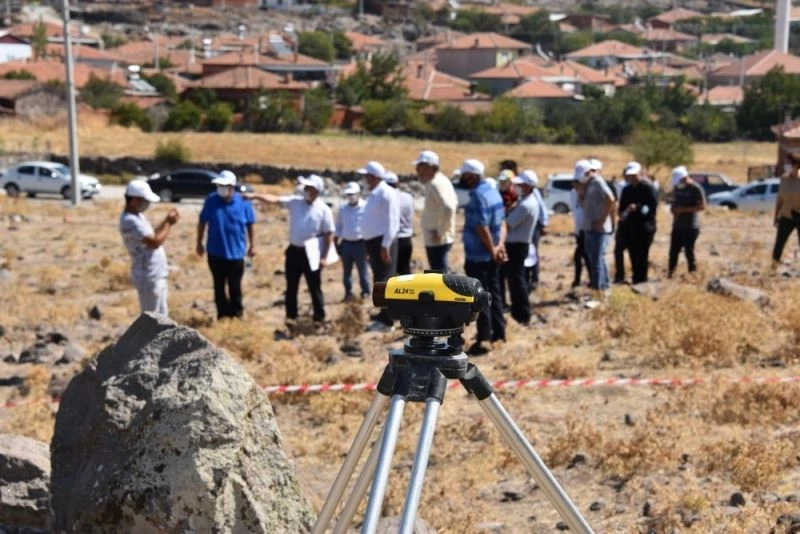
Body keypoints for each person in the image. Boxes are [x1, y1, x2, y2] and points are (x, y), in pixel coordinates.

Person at [248, 175, 334, 327]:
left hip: (312, 253)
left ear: (317, 191)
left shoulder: (324, 210)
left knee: (314, 287)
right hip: (294, 252)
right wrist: (256, 196)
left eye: (310, 188)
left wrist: (324, 257)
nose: (306, 190)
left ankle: (319, 318)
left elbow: (328, 234)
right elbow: (274, 200)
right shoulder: (295, 202)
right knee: (291, 286)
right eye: (306, 187)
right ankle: (291, 317)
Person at [460, 158, 507, 355]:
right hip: (492, 253)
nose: (462, 178)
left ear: (472, 176)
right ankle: (499, 333)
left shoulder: (478, 196)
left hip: (479, 256)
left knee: (480, 297)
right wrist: (499, 246)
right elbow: (503, 222)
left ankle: (484, 338)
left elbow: (481, 227)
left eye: (464, 175)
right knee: (495, 294)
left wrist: (491, 249)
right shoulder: (492, 191)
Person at [197, 170, 256, 319]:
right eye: (219, 185)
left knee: (235, 286)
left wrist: (252, 245)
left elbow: (250, 225)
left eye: (224, 186)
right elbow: (202, 222)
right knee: (219, 286)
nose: (221, 188)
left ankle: (236, 313)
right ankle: (222, 314)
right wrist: (199, 243)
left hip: (236, 254)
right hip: (215, 252)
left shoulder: (243, 202)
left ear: (232, 187)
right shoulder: (211, 200)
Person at [119, 179, 180, 316]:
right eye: (144, 200)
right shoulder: (130, 221)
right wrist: (169, 224)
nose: (147, 204)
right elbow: (154, 242)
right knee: (151, 318)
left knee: (162, 316)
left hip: (155, 273)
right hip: (147, 276)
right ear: (134, 199)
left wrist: (166, 221)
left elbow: (151, 235)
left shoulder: (137, 217)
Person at [358, 161, 400, 330]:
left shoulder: (387, 193)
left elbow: (392, 221)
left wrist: (385, 246)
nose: (364, 180)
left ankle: (388, 320)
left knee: (385, 281)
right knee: (379, 280)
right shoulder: (375, 193)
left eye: (366, 176)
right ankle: (383, 315)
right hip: (374, 242)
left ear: (374, 176)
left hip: (383, 242)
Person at [505, 170, 541, 325]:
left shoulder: (526, 204)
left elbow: (507, 223)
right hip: (517, 245)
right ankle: (518, 311)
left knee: (517, 281)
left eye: (520, 185)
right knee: (515, 280)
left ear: (528, 186)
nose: (517, 187)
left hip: (517, 246)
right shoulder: (525, 200)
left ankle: (523, 313)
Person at [577, 159, 615, 299]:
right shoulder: (587, 185)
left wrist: (602, 220)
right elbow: (583, 205)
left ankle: (597, 293)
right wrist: (580, 193)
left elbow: (610, 199)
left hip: (598, 229)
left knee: (596, 261)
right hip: (589, 227)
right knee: (597, 259)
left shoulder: (598, 182)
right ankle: (604, 288)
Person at [415, 150, 458, 273]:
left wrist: (440, 232)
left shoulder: (435, 183)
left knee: (440, 275)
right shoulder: (440, 180)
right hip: (437, 237)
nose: (417, 170)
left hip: (437, 239)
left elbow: (449, 207)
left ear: (429, 167)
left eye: (420, 167)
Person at [617, 161, 658, 284]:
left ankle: (642, 279)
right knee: (632, 253)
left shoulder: (648, 188)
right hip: (630, 227)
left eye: (634, 175)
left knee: (642, 254)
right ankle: (636, 278)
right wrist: (622, 213)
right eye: (630, 175)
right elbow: (622, 207)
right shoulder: (626, 190)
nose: (632, 178)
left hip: (645, 227)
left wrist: (638, 208)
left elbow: (652, 208)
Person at [335, 181, 370, 301]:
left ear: (359, 194)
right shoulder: (343, 209)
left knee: (363, 270)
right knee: (346, 272)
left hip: (361, 244)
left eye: (353, 194)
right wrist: (336, 244)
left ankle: (365, 291)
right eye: (348, 194)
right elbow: (338, 227)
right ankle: (348, 293)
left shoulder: (366, 207)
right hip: (346, 244)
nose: (351, 197)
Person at [668, 166, 706, 278]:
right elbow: (674, 203)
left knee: (689, 252)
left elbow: (702, 206)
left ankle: (692, 274)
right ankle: (670, 274)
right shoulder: (677, 188)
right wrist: (673, 210)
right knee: (673, 252)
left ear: (685, 178)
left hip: (690, 226)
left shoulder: (695, 189)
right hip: (677, 225)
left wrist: (684, 210)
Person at [772, 152, 800, 270]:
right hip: (786, 214)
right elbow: (780, 199)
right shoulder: (784, 179)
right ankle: (773, 266)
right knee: (779, 242)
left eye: (792, 164)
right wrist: (776, 217)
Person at [384, 171, 415, 275]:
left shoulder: (386, 198)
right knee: (405, 270)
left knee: (391, 273)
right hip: (406, 238)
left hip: (393, 239)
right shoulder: (408, 197)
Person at [525, 171, 549, 293]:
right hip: (527, 226)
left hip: (534, 227)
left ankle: (534, 279)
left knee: (532, 252)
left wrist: (544, 223)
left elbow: (542, 208)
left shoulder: (534, 193)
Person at [570, 178, 590, 288]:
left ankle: (580, 280)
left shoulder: (588, 193)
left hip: (587, 230)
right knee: (583, 256)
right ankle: (579, 280)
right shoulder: (573, 193)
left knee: (580, 255)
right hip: (579, 230)